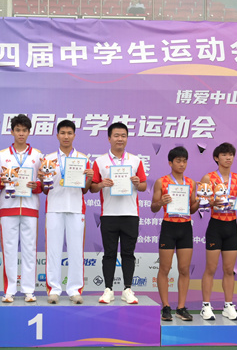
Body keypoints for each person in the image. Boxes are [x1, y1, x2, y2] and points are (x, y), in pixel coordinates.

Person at [90, 122, 147, 305]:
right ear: (109, 138)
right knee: (109, 254)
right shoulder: (100, 161)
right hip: (109, 215)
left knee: (128, 254)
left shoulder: (135, 160)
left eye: (123, 135)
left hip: (130, 214)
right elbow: (92, 187)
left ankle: (127, 289)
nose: (120, 139)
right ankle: (108, 290)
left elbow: (144, 186)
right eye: (116, 135)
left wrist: (137, 183)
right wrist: (101, 184)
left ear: (127, 138)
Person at [0, 114, 44, 303]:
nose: (21, 133)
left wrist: (35, 186)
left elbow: (43, 184)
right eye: (18, 130)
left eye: (24, 130)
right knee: (9, 249)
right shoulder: (2, 155)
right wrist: (2, 181)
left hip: (30, 207)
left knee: (30, 249)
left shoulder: (37, 155)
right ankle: (9, 290)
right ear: (12, 132)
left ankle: (29, 290)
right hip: (8, 207)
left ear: (29, 132)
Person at [42, 120, 93, 305]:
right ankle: (54, 290)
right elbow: (45, 189)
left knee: (76, 250)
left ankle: (75, 290)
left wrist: (89, 178)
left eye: (69, 133)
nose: (66, 136)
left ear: (74, 135)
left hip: (76, 209)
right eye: (62, 133)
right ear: (57, 135)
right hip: (54, 208)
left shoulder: (83, 158)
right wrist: (43, 179)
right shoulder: (48, 159)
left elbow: (85, 189)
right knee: (53, 250)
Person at [150, 146, 197, 321]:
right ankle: (166, 307)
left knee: (184, 269)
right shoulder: (161, 182)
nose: (182, 164)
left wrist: (200, 201)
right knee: (165, 268)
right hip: (169, 227)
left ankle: (181, 307)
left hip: (185, 227)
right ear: (170, 163)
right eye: (178, 161)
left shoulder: (191, 183)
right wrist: (161, 202)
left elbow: (192, 208)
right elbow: (153, 207)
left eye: (184, 161)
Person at [199, 142, 237, 321]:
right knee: (211, 268)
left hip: (232, 225)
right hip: (216, 226)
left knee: (229, 269)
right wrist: (211, 202)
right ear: (216, 158)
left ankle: (228, 306)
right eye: (224, 155)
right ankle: (206, 306)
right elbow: (201, 203)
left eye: (230, 154)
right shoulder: (208, 178)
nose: (228, 158)